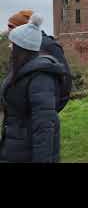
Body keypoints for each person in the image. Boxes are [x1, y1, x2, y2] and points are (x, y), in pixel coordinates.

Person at [0, 13, 67, 163]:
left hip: (26, 152)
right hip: (15, 149)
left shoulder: (41, 78)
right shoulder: (19, 72)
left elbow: (44, 128)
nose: (10, 48)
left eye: (13, 45)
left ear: (21, 49)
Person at [7, 9, 71, 112]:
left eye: (12, 27)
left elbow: (65, 80)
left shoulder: (49, 45)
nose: (9, 30)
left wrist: (53, 108)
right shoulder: (17, 48)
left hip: (40, 111)